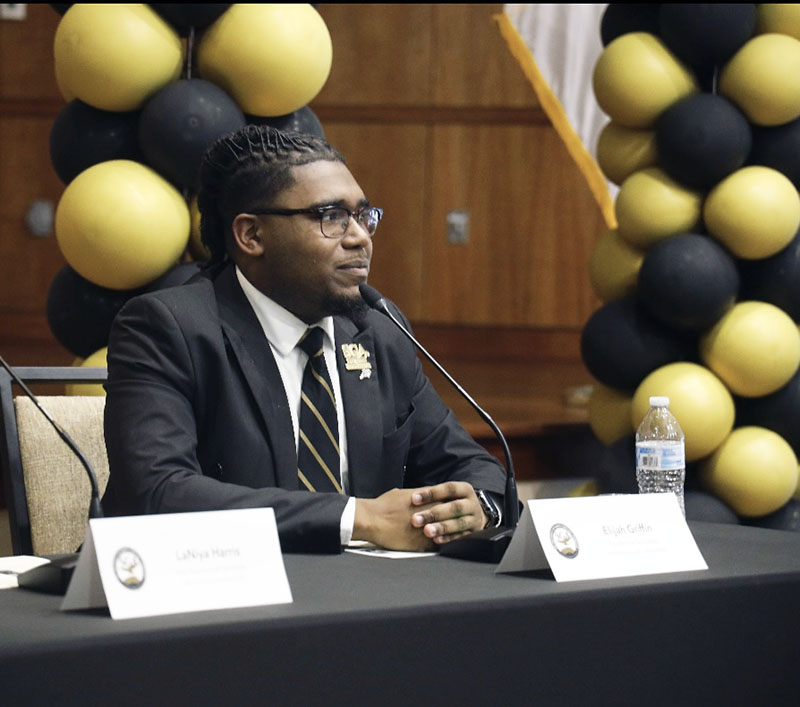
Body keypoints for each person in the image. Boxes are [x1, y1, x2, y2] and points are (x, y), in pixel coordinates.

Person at [102, 125, 506, 553]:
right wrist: (357, 518)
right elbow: (158, 492)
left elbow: (476, 469)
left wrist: (476, 507)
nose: (360, 238)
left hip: (364, 599)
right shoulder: (170, 329)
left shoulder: (379, 332)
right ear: (251, 236)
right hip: (216, 596)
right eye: (331, 217)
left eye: (363, 217)